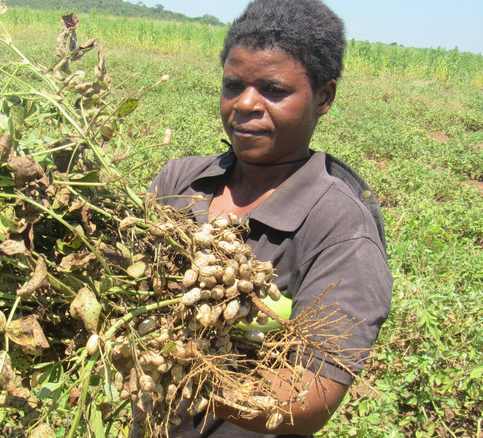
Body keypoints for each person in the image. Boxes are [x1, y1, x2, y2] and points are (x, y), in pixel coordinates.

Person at [147, 0, 393, 436]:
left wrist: (178, 359)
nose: (245, 103)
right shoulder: (180, 179)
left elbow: (306, 398)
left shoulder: (341, 227)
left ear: (324, 96)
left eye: (273, 90)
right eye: (233, 84)